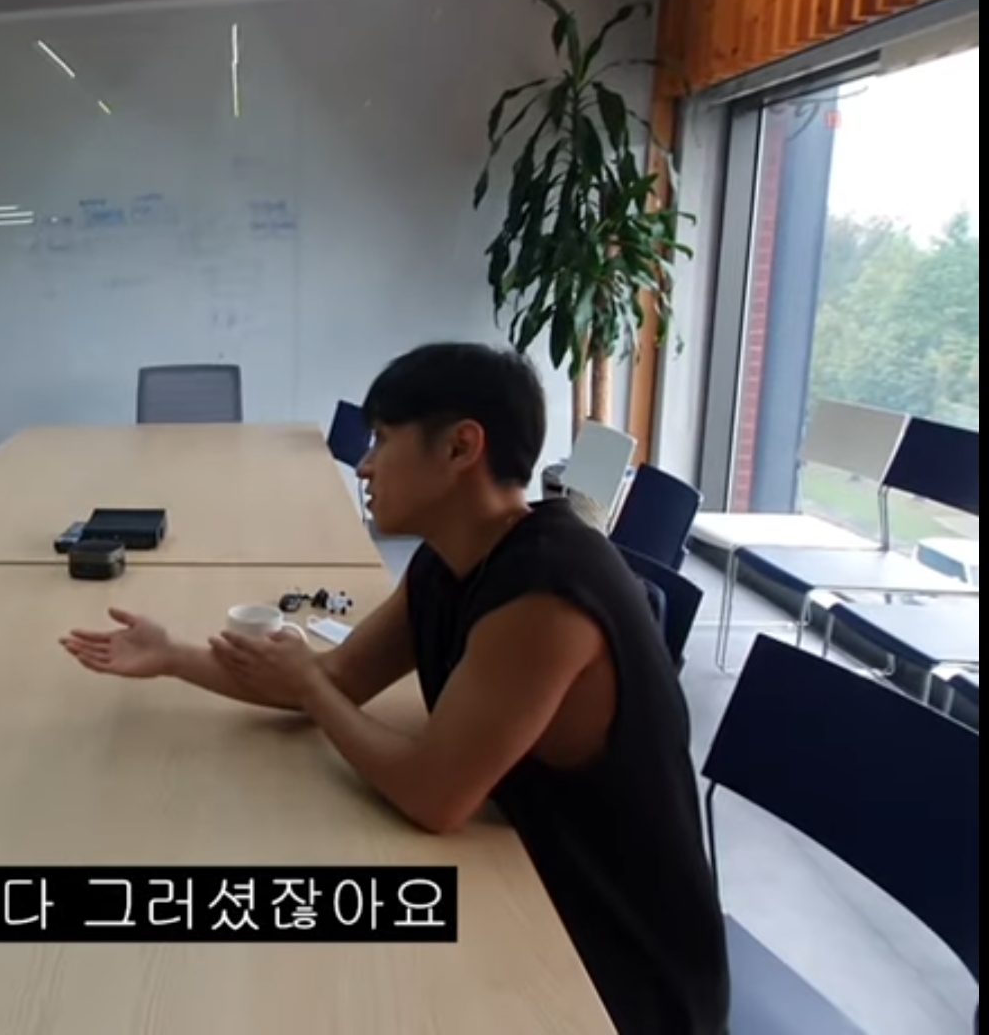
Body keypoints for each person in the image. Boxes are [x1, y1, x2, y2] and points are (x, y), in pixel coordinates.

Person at [60, 342, 728, 1035]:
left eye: (383, 439)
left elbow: (435, 797)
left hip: (615, 968)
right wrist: (174, 657)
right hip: (529, 887)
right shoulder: (451, 561)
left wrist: (313, 691)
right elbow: (337, 677)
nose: (365, 464)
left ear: (461, 447)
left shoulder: (547, 594)